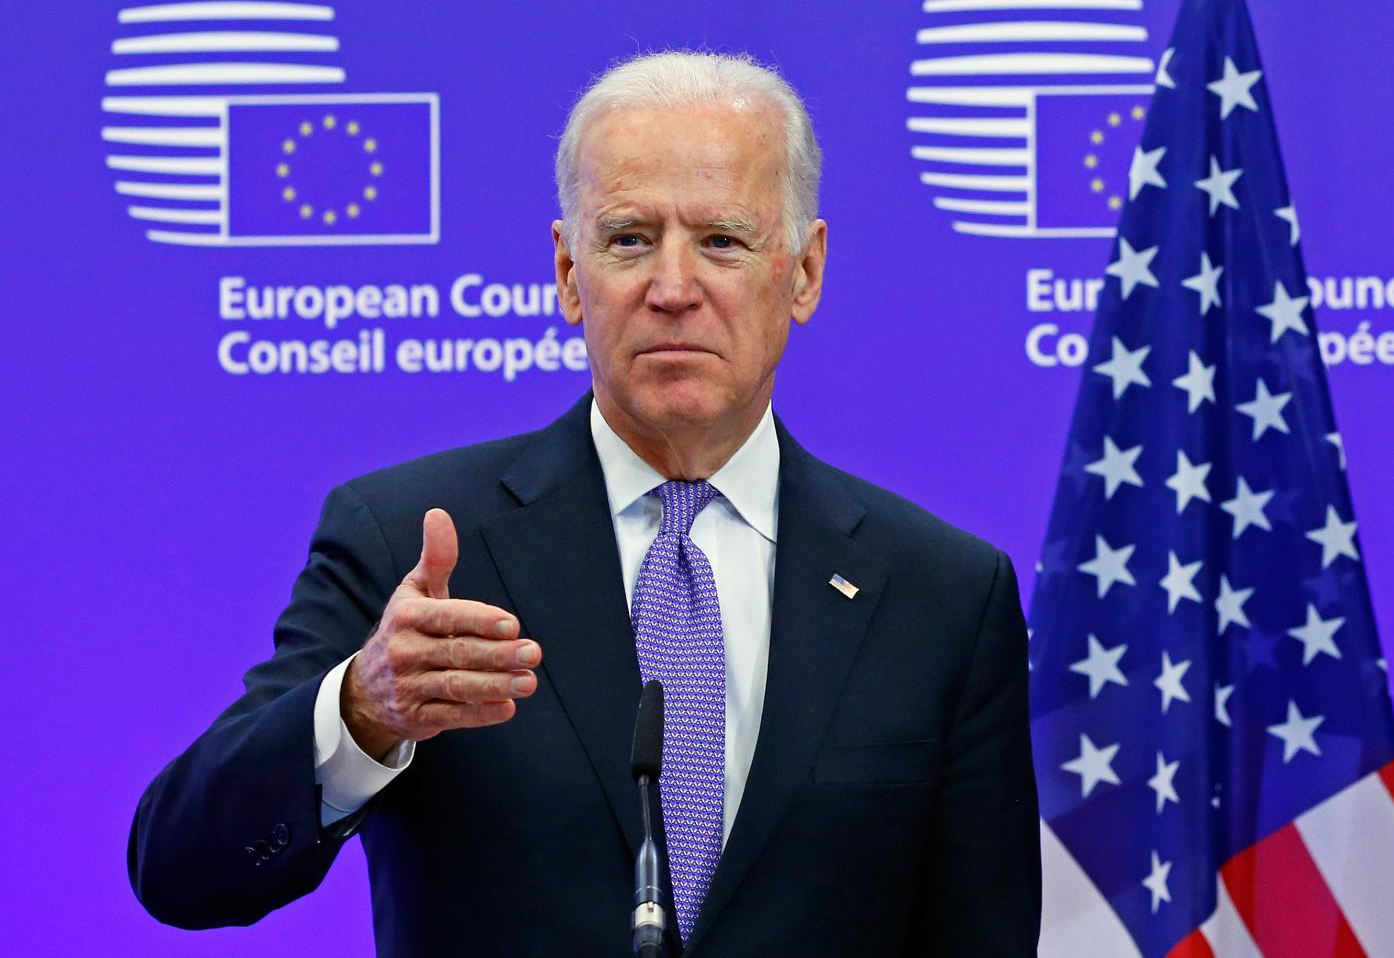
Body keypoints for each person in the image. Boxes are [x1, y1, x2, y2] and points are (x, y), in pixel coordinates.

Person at [128, 50, 1040, 956]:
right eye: (629, 239)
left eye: (721, 240)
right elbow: (178, 866)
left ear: (802, 272)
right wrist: (360, 714)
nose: (672, 288)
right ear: (569, 273)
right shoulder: (411, 545)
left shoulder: (942, 597)